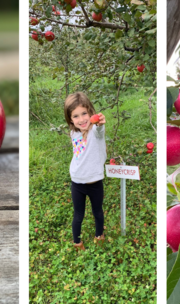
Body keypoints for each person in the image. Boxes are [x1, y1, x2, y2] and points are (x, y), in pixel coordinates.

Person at [63, 92, 107, 251]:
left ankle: (99, 236)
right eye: (75, 116)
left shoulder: (96, 131)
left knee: (98, 212)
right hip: (77, 181)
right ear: (70, 119)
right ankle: (77, 242)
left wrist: (100, 123)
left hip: (95, 182)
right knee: (78, 215)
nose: (81, 119)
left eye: (84, 114)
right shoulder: (73, 132)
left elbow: (99, 130)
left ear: (91, 112)